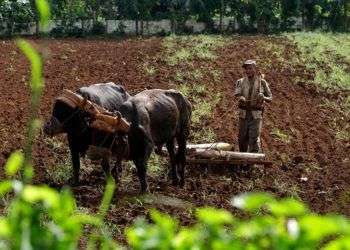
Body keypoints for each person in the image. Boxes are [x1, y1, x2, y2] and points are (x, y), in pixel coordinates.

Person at [234, 59, 272, 153]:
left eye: (250, 68)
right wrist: (241, 98)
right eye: (246, 69)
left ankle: (252, 161)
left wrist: (263, 97)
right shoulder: (240, 81)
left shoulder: (262, 82)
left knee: (253, 138)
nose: (248, 71)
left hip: (256, 115)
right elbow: (237, 95)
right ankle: (242, 158)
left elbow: (270, 98)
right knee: (242, 138)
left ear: (255, 69)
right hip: (243, 115)